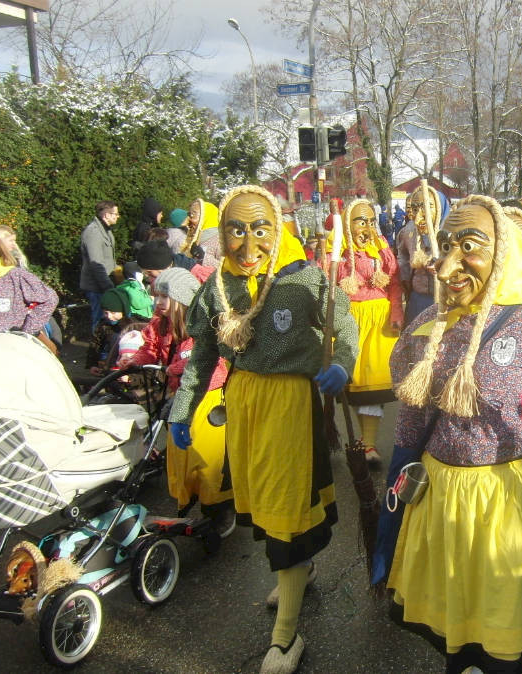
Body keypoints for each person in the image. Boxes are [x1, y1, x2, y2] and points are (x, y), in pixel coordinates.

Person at [387, 195, 522, 672]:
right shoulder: (427, 325)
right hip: (443, 502)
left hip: (510, 504)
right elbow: (411, 425)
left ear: (503, 252)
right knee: (458, 629)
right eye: (445, 247)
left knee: (508, 634)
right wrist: (396, 493)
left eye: (468, 247)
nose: (445, 267)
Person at [168, 185, 356, 674]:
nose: (248, 245)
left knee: (287, 507)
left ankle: (285, 637)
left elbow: (345, 326)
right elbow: (201, 357)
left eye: (260, 229)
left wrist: (343, 363)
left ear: (277, 229)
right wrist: (182, 411)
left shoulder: (303, 278)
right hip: (243, 406)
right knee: (265, 503)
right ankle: (300, 570)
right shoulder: (216, 288)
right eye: (236, 230)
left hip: (290, 406)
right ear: (221, 234)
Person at [130, 267, 234, 532]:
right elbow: (149, 348)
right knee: (183, 458)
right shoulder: (160, 326)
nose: (158, 302)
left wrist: (174, 368)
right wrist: (134, 361)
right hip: (180, 398)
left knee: (208, 460)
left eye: (165, 297)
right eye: (156, 296)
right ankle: (190, 499)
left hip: (207, 399)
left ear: (183, 298)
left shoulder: (203, 327)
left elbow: (212, 365)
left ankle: (220, 508)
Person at [328, 199, 403, 467]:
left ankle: (369, 444)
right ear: (348, 224)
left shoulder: (381, 248)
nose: (368, 227)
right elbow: (327, 282)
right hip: (350, 321)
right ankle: (364, 441)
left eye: (371, 221)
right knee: (355, 387)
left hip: (379, 322)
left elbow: (394, 283)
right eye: (361, 221)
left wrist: (396, 313)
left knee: (373, 387)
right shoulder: (336, 248)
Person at [395, 184, 448, 325]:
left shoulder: (453, 233)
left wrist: (443, 266)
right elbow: (402, 255)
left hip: (447, 301)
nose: (418, 217)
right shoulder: (409, 231)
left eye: (426, 208)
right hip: (418, 301)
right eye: (415, 209)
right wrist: (404, 274)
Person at [79, 201, 119, 333]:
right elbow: (96, 264)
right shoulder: (93, 232)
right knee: (99, 321)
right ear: (106, 215)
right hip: (97, 287)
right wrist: (109, 288)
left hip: (104, 284)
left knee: (108, 321)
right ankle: (98, 345)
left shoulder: (105, 230)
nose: (118, 216)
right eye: (115, 214)